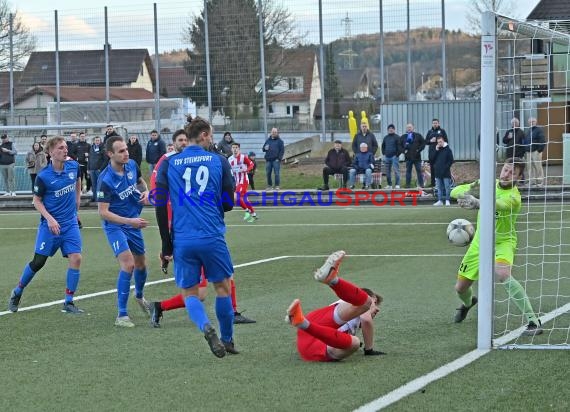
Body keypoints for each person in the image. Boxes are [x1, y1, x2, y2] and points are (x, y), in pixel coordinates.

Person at [149, 130, 256, 327]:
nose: (182, 143)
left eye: (184, 139)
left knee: (222, 280)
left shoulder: (201, 161)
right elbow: (160, 200)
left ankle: (231, 312)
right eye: (179, 140)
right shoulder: (167, 163)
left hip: (198, 230)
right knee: (201, 292)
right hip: (185, 231)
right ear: (173, 144)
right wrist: (168, 242)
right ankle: (160, 307)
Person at [155, 115, 238, 357]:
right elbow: (229, 203)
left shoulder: (169, 163)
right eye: (211, 135)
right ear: (203, 135)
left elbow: (160, 205)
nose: (212, 139)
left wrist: (166, 245)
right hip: (212, 235)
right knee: (223, 287)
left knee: (190, 293)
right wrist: (213, 206)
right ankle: (228, 339)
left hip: (182, 238)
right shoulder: (219, 160)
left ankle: (205, 325)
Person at [450, 157, 543, 336]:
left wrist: (478, 202)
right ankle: (469, 304)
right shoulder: (487, 183)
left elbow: (498, 204)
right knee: (460, 288)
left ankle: (533, 321)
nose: (507, 174)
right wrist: (468, 190)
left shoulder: (514, 197)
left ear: (518, 177)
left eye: (512, 173)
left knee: (502, 273)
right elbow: (455, 192)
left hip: (503, 242)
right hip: (479, 242)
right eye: (506, 170)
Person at [8, 137, 83, 314]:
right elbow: (36, 201)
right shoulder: (43, 176)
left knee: (76, 258)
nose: (65, 150)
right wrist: (50, 219)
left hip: (70, 224)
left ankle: (68, 302)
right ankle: (18, 291)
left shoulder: (73, 167)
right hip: (49, 226)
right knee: (38, 262)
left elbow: (78, 182)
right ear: (50, 153)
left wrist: (77, 204)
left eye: (65, 147)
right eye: (60, 148)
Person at [286, 250, 385, 362]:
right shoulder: (356, 308)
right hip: (315, 340)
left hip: (312, 336)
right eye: (375, 303)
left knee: (355, 342)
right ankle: (332, 280)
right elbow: (366, 319)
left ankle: (301, 321)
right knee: (365, 305)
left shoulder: (351, 313)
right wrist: (369, 350)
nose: (377, 309)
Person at [97, 135, 151, 327]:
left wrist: (146, 192)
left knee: (142, 265)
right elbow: (103, 213)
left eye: (126, 149)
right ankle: (121, 315)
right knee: (128, 265)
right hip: (116, 225)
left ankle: (140, 296)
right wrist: (130, 221)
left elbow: (141, 183)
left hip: (133, 223)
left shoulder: (132, 165)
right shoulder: (105, 180)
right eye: (121, 151)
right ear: (110, 154)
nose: (126, 153)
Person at [228, 142, 257, 222]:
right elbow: (229, 171)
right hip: (236, 182)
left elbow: (251, 164)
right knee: (244, 199)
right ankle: (253, 214)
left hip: (243, 180)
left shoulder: (243, 157)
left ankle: (247, 211)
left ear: (239, 149)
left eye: (236, 147)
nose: (235, 149)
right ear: (231, 149)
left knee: (237, 197)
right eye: (233, 147)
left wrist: (246, 170)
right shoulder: (229, 159)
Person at [430, 136, 454, 206]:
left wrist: (446, 168)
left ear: (443, 141)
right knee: (439, 187)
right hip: (437, 172)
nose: (439, 143)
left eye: (440, 142)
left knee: (447, 187)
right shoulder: (436, 149)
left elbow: (451, 160)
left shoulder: (448, 149)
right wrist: (436, 150)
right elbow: (432, 159)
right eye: (438, 142)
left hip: (446, 172)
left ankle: (447, 200)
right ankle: (440, 200)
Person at [400, 123, 425, 188]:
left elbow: (423, 143)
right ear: (406, 128)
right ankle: (408, 185)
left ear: (413, 128)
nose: (409, 128)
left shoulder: (418, 135)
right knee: (408, 171)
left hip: (417, 157)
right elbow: (399, 146)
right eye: (408, 127)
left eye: (410, 127)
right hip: (408, 157)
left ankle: (421, 185)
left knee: (419, 171)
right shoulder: (403, 137)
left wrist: (418, 150)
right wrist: (403, 151)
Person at [425, 119, 448, 188]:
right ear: (432, 124)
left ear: (439, 124)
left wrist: (439, 142)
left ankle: (441, 183)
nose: (435, 124)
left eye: (436, 123)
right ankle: (433, 183)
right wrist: (430, 141)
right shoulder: (430, 132)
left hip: (440, 153)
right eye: (433, 123)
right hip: (432, 153)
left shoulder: (442, 131)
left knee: (440, 168)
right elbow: (426, 142)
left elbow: (446, 141)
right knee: (432, 168)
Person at [524, 117, 546, 187]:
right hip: (528, 152)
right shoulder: (528, 131)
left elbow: (542, 140)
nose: (531, 123)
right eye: (530, 122)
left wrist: (539, 150)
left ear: (536, 122)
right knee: (529, 167)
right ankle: (532, 182)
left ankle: (540, 182)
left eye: (533, 121)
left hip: (536, 151)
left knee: (538, 167)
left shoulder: (539, 130)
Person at [381, 124, 403, 189]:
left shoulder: (397, 137)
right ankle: (389, 185)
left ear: (394, 129)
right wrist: (384, 153)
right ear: (388, 130)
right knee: (387, 172)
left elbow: (400, 147)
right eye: (389, 128)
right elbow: (383, 146)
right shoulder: (385, 137)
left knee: (396, 170)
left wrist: (397, 155)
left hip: (394, 157)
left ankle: (397, 184)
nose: (390, 129)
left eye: (392, 128)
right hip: (387, 157)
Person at [87, 136, 105, 202]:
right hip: (92, 169)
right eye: (96, 140)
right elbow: (89, 158)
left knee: (100, 185)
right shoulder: (91, 148)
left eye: (98, 140)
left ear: (100, 141)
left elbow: (105, 160)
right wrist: (88, 168)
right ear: (94, 141)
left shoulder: (103, 148)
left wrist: (101, 168)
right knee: (94, 184)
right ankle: (94, 197)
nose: (97, 142)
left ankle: (100, 198)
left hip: (99, 170)